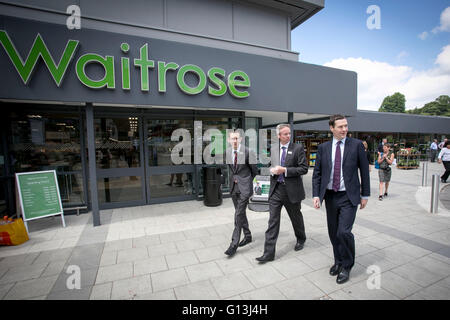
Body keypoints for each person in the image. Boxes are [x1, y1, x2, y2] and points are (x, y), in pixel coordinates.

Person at [312, 114, 370, 284]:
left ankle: (347, 265)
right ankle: (337, 261)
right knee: (333, 233)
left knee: (343, 232)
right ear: (332, 128)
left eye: (346, 126)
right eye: (340, 126)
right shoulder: (323, 148)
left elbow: (364, 172)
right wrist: (317, 195)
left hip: (348, 196)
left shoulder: (357, 145)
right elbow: (317, 174)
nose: (344, 129)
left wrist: (365, 194)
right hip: (330, 196)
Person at [256, 124, 308, 263]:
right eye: (285, 134)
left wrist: (284, 170)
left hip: (291, 191)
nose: (288, 136)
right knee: (272, 221)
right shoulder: (273, 148)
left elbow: (304, 169)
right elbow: (270, 165)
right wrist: (271, 169)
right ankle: (268, 253)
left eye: (289, 133)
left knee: (296, 218)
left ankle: (301, 238)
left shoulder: (297, 148)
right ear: (278, 136)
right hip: (276, 190)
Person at [224, 130, 258, 257]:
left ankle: (233, 245)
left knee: (238, 214)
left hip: (245, 187)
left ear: (241, 139)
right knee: (241, 213)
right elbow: (231, 169)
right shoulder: (227, 152)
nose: (235, 141)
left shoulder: (248, 151)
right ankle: (248, 236)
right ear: (229, 140)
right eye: (232, 139)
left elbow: (255, 170)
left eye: (237, 138)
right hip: (234, 187)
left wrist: (247, 182)